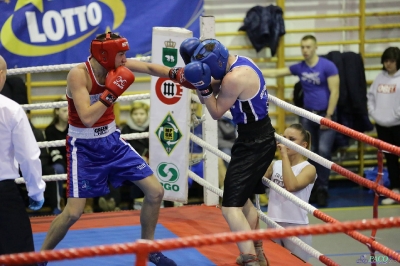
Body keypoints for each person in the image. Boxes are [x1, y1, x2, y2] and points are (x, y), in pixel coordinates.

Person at [38, 32, 177, 266]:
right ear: (106, 55)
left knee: (155, 192)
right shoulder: (78, 75)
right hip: (84, 148)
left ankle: (148, 248)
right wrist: (111, 93)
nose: (126, 59)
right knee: (73, 213)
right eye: (121, 54)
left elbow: (151, 68)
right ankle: (39, 258)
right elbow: (87, 118)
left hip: (113, 142)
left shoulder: (117, 65)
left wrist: (178, 75)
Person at [172, 37, 277, 266]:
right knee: (243, 200)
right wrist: (199, 81)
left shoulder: (233, 78)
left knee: (230, 207)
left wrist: (202, 85)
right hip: (254, 139)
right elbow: (210, 91)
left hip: (255, 144)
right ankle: (257, 252)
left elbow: (216, 111)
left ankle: (250, 260)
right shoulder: (240, 62)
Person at [262, 34, 339, 207]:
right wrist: (251, 69)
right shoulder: (301, 67)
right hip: (307, 115)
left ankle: (322, 188)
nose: (305, 50)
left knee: (324, 153)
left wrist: (329, 115)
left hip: (325, 116)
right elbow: (276, 72)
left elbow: (335, 91)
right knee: (307, 152)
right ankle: (310, 187)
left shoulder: (328, 66)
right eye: (302, 47)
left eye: (308, 47)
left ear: (315, 47)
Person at [0, 55, 46, 260]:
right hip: (3, 193)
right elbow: (28, 156)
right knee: (18, 256)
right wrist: (36, 191)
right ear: (2, 75)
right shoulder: (10, 109)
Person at [264, 123, 317, 262]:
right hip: (273, 223)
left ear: (304, 145)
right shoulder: (276, 164)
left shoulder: (309, 169)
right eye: (283, 137)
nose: (285, 142)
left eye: (291, 139)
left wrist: (283, 156)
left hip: (296, 226)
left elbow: (291, 186)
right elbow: (257, 179)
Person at [367, 47, 400, 205]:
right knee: (390, 159)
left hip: (398, 125)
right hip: (382, 125)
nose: (388, 64)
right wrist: (374, 113)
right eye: (386, 61)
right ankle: (396, 189)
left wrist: (396, 115)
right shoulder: (380, 77)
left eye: (392, 61)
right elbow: (371, 96)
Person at [44, 96, 69, 214]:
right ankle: (58, 206)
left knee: (85, 165)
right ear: (57, 111)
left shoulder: (74, 128)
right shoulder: (50, 130)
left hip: (73, 160)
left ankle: (85, 204)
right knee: (58, 169)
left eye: (70, 110)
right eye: (64, 110)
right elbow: (54, 152)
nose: (68, 113)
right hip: (58, 162)